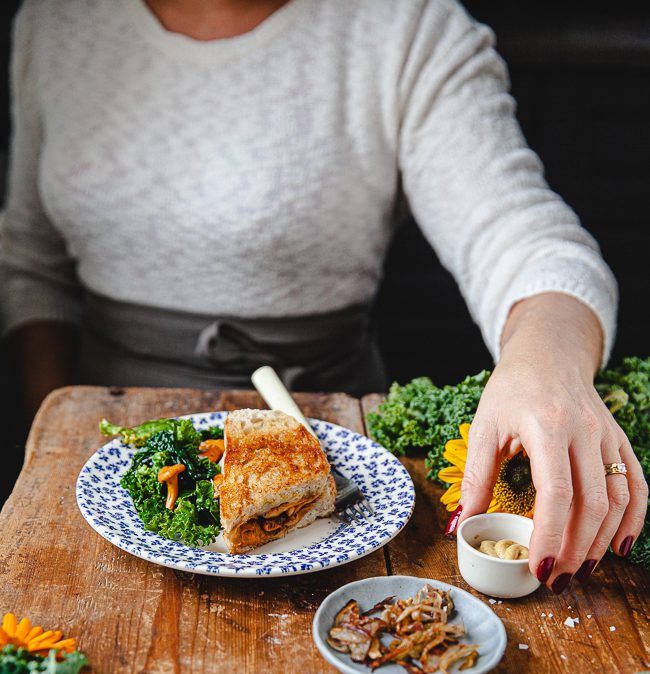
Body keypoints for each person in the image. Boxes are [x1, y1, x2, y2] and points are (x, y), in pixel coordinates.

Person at [0, 0, 646, 592]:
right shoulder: (57, 21)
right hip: (104, 450)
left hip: (328, 431)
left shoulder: (405, 27)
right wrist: (53, 434)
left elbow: (527, 240)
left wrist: (545, 366)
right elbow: (29, 262)